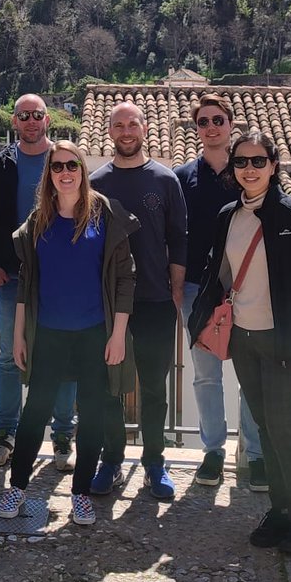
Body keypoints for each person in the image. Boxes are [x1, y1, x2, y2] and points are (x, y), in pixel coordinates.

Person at [189, 130, 291, 556]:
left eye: (258, 161)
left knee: (285, 430)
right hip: (244, 340)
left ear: (274, 165)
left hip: (282, 340)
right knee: (265, 427)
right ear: (233, 169)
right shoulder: (228, 216)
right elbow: (218, 270)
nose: (250, 169)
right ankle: (281, 511)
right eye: (242, 162)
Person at [0, 141, 137, 528]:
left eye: (72, 164)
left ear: (82, 169)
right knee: (35, 412)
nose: (65, 172)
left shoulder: (104, 215)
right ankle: (18, 486)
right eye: (57, 166)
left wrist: (118, 334)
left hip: (95, 333)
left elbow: (126, 278)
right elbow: (26, 284)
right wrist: (20, 336)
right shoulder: (38, 221)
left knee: (92, 415)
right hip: (50, 335)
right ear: (49, 175)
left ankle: (80, 494)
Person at [89, 101, 188, 500]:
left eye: (133, 124)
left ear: (145, 128)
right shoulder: (95, 182)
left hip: (154, 300)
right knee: (108, 386)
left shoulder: (165, 181)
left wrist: (176, 289)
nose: (126, 131)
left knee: (153, 388)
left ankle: (154, 462)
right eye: (119, 125)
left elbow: (179, 239)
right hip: (106, 304)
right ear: (109, 132)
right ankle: (111, 460)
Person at [0, 94, 77, 472]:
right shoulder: (2, 163)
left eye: (37, 115)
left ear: (47, 119)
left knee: (63, 354)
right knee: (8, 356)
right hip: (11, 274)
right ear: (14, 121)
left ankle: (63, 436)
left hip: (57, 277)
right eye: (24, 116)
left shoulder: (64, 158)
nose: (31, 121)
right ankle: (5, 435)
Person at [174, 94, 264, 488]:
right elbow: (174, 235)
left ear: (230, 125)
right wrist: (177, 285)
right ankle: (213, 452)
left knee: (251, 375)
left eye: (218, 120)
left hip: (246, 289)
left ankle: (256, 454)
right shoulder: (182, 178)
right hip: (197, 288)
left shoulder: (247, 170)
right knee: (206, 375)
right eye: (204, 121)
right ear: (197, 129)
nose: (211, 127)